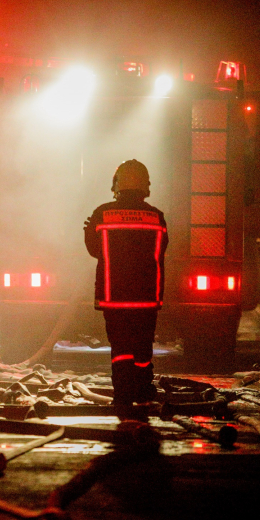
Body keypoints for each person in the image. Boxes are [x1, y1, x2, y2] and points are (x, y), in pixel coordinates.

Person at [84, 159, 168, 411]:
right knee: (143, 347)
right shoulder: (157, 216)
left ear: (116, 185)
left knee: (120, 347)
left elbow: (94, 250)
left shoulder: (102, 213)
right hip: (146, 297)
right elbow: (162, 249)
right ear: (145, 186)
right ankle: (143, 390)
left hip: (115, 296)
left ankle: (123, 394)